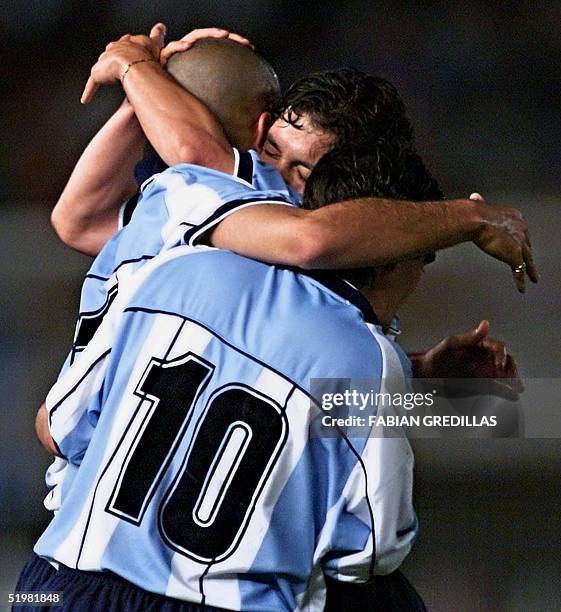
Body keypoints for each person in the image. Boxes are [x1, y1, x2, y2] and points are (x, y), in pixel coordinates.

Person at [21, 137, 442, 612]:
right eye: (423, 254)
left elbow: (61, 425)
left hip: (62, 584)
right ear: (390, 253)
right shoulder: (370, 358)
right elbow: (373, 547)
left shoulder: (178, 264)